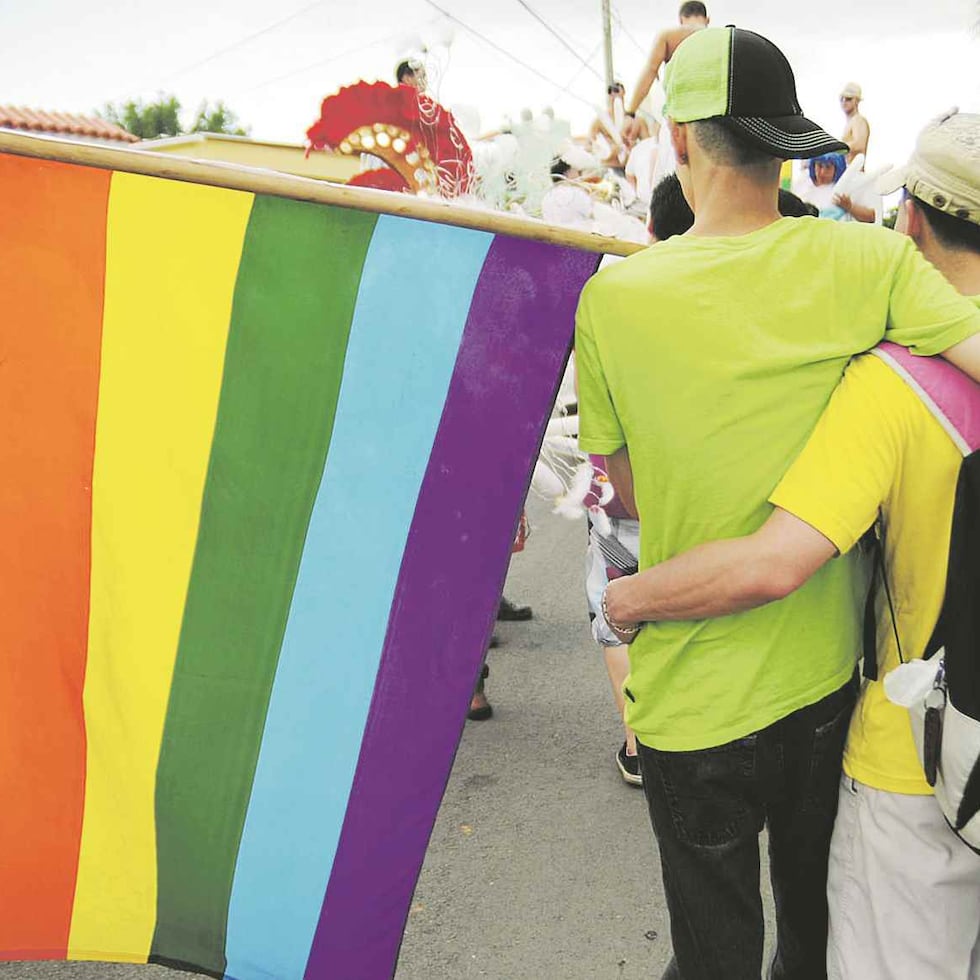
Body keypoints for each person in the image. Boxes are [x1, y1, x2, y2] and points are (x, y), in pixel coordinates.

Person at [575, 25, 980, 980]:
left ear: (680, 139)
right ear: (787, 141)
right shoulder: (866, 266)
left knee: (711, 957)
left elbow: (622, 491)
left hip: (688, 696)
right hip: (820, 685)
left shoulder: (614, 302)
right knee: (811, 939)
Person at [621, 2, 709, 145]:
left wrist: (630, 114)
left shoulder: (669, 36)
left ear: (681, 20)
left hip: (681, 119)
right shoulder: (726, 37)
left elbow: (650, 71)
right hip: (718, 118)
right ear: (707, 19)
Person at [796, 152, 878, 222]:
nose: (822, 172)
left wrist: (850, 207)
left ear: (837, 168)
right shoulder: (802, 183)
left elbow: (872, 216)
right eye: (819, 166)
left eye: (828, 167)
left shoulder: (849, 185)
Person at [840, 82, 870, 163]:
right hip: (850, 171)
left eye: (848, 99)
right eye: (842, 98)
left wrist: (835, 150)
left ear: (857, 101)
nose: (844, 101)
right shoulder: (850, 122)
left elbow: (859, 145)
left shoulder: (858, 120)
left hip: (855, 173)